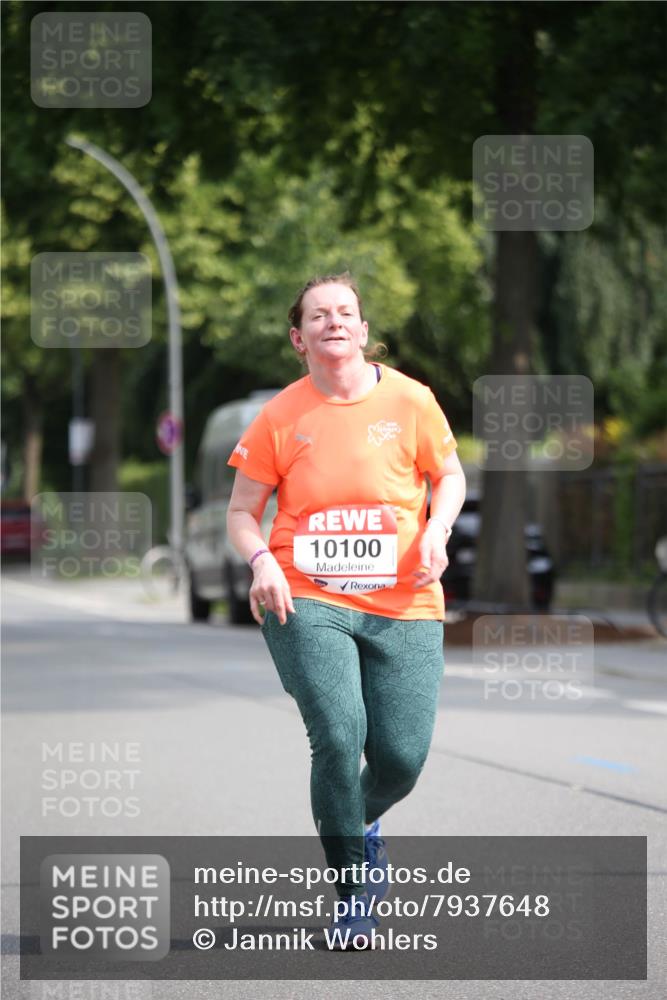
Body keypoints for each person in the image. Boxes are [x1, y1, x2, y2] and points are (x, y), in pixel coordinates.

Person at [226, 273, 466, 948]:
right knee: (337, 734)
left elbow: (449, 475)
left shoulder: (411, 400)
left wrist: (438, 529)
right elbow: (241, 512)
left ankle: (356, 820)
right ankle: (354, 895)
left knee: (400, 758)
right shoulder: (280, 416)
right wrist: (261, 561)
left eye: (345, 313)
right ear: (298, 338)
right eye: (318, 315)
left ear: (362, 330)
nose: (334, 321)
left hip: (405, 597)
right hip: (306, 595)